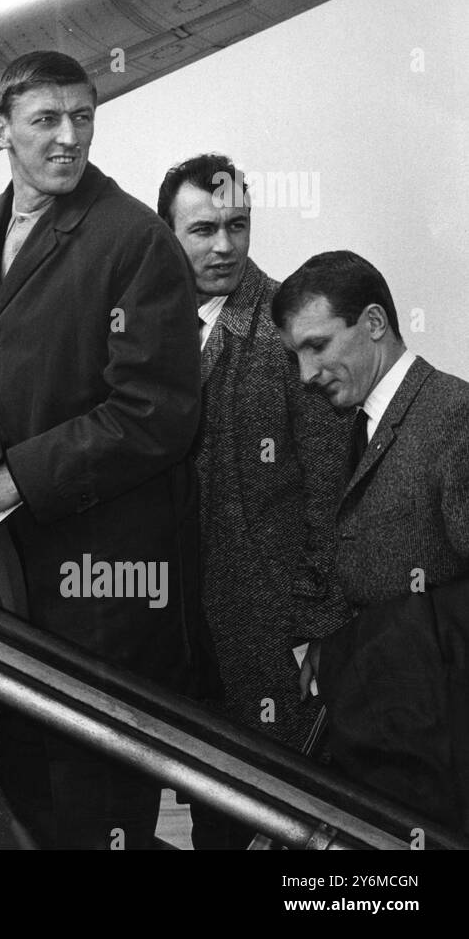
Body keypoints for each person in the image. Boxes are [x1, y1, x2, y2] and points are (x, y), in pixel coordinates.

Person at [0, 51, 203, 849]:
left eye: (82, 117)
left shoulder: (137, 239)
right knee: (28, 777)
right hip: (23, 572)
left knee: (97, 802)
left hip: (106, 584)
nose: (68, 138)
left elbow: (155, 416)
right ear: (0, 132)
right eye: (45, 120)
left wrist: (13, 478)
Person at [158, 154, 349, 848]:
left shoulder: (287, 331)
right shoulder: (148, 331)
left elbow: (333, 496)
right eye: (204, 228)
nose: (226, 245)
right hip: (178, 627)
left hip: (271, 636)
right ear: (167, 235)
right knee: (209, 815)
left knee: (292, 823)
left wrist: (316, 632)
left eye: (238, 225)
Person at [275, 251, 469, 824]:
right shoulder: (362, 422)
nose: (307, 374)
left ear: (376, 324)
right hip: (395, 734)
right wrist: (336, 643)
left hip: (440, 746)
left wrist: (390, 643)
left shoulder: (453, 415)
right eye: (296, 356)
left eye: (318, 345)